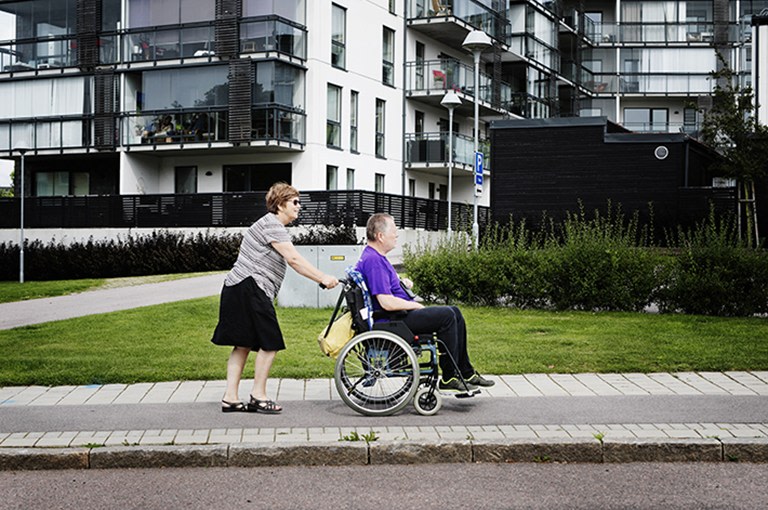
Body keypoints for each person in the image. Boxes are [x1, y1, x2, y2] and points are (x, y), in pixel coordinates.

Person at [211, 183, 339, 413]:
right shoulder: (272, 224)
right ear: (280, 204)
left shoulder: (269, 224)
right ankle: (258, 396)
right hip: (250, 287)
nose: (299, 207)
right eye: (295, 202)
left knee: (243, 344)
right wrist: (323, 278)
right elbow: (294, 260)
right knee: (270, 342)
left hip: (239, 287)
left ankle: (230, 398)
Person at [355, 213, 494, 394]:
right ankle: (449, 376)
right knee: (447, 316)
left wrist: (401, 284)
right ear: (380, 236)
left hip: (395, 317)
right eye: (394, 231)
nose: (396, 235)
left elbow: (384, 288)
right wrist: (416, 305)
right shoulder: (374, 261)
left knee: (455, 311)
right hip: (391, 320)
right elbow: (386, 302)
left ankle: (465, 373)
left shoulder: (374, 256)